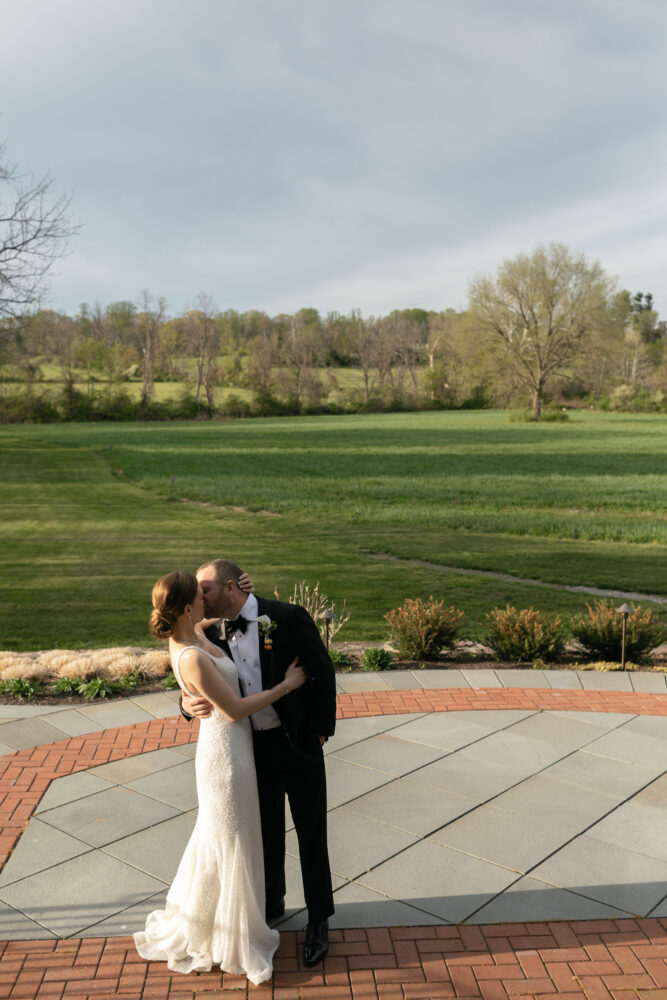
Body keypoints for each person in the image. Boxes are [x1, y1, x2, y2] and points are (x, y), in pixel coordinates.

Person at [134, 570, 306, 984]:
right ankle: (228, 935)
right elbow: (231, 710)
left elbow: (222, 618)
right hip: (225, 760)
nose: (206, 601)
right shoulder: (190, 653)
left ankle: (219, 917)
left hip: (236, 753)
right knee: (231, 842)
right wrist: (287, 685)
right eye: (200, 595)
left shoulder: (193, 632)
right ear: (188, 606)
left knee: (228, 840)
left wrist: (244, 591)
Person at [181, 559, 336, 968]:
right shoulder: (211, 631)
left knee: (311, 834)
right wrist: (184, 704)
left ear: (231, 588)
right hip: (251, 750)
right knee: (265, 833)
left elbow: (322, 670)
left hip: (298, 746)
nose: (200, 599)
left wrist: (322, 730)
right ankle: (273, 904)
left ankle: (319, 920)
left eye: (206, 591)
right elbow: (193, 674)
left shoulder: (285, 617)